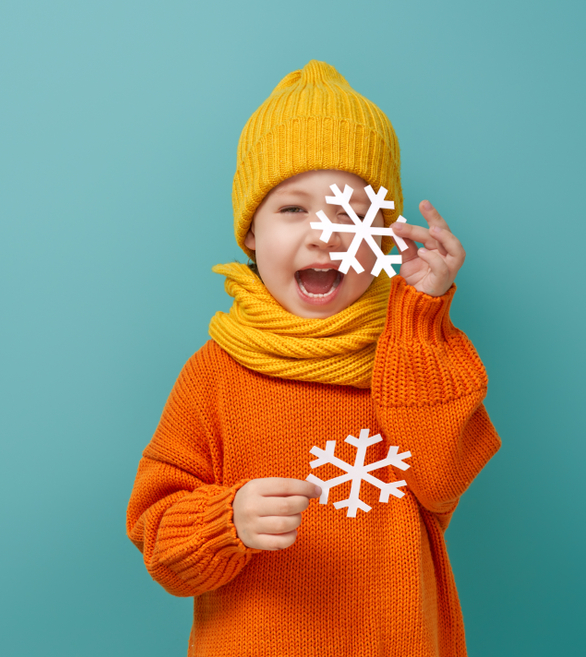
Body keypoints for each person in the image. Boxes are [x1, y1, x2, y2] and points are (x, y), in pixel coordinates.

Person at [126, 60, 501, 656]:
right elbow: (160, 543)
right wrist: (228, 522)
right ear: (251, 231)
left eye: (350, 213)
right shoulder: (216, 373)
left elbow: (441, 480)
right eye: (293, 209)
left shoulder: (417, 353)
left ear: (383, 238)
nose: (323, 234)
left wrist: (420, 317)